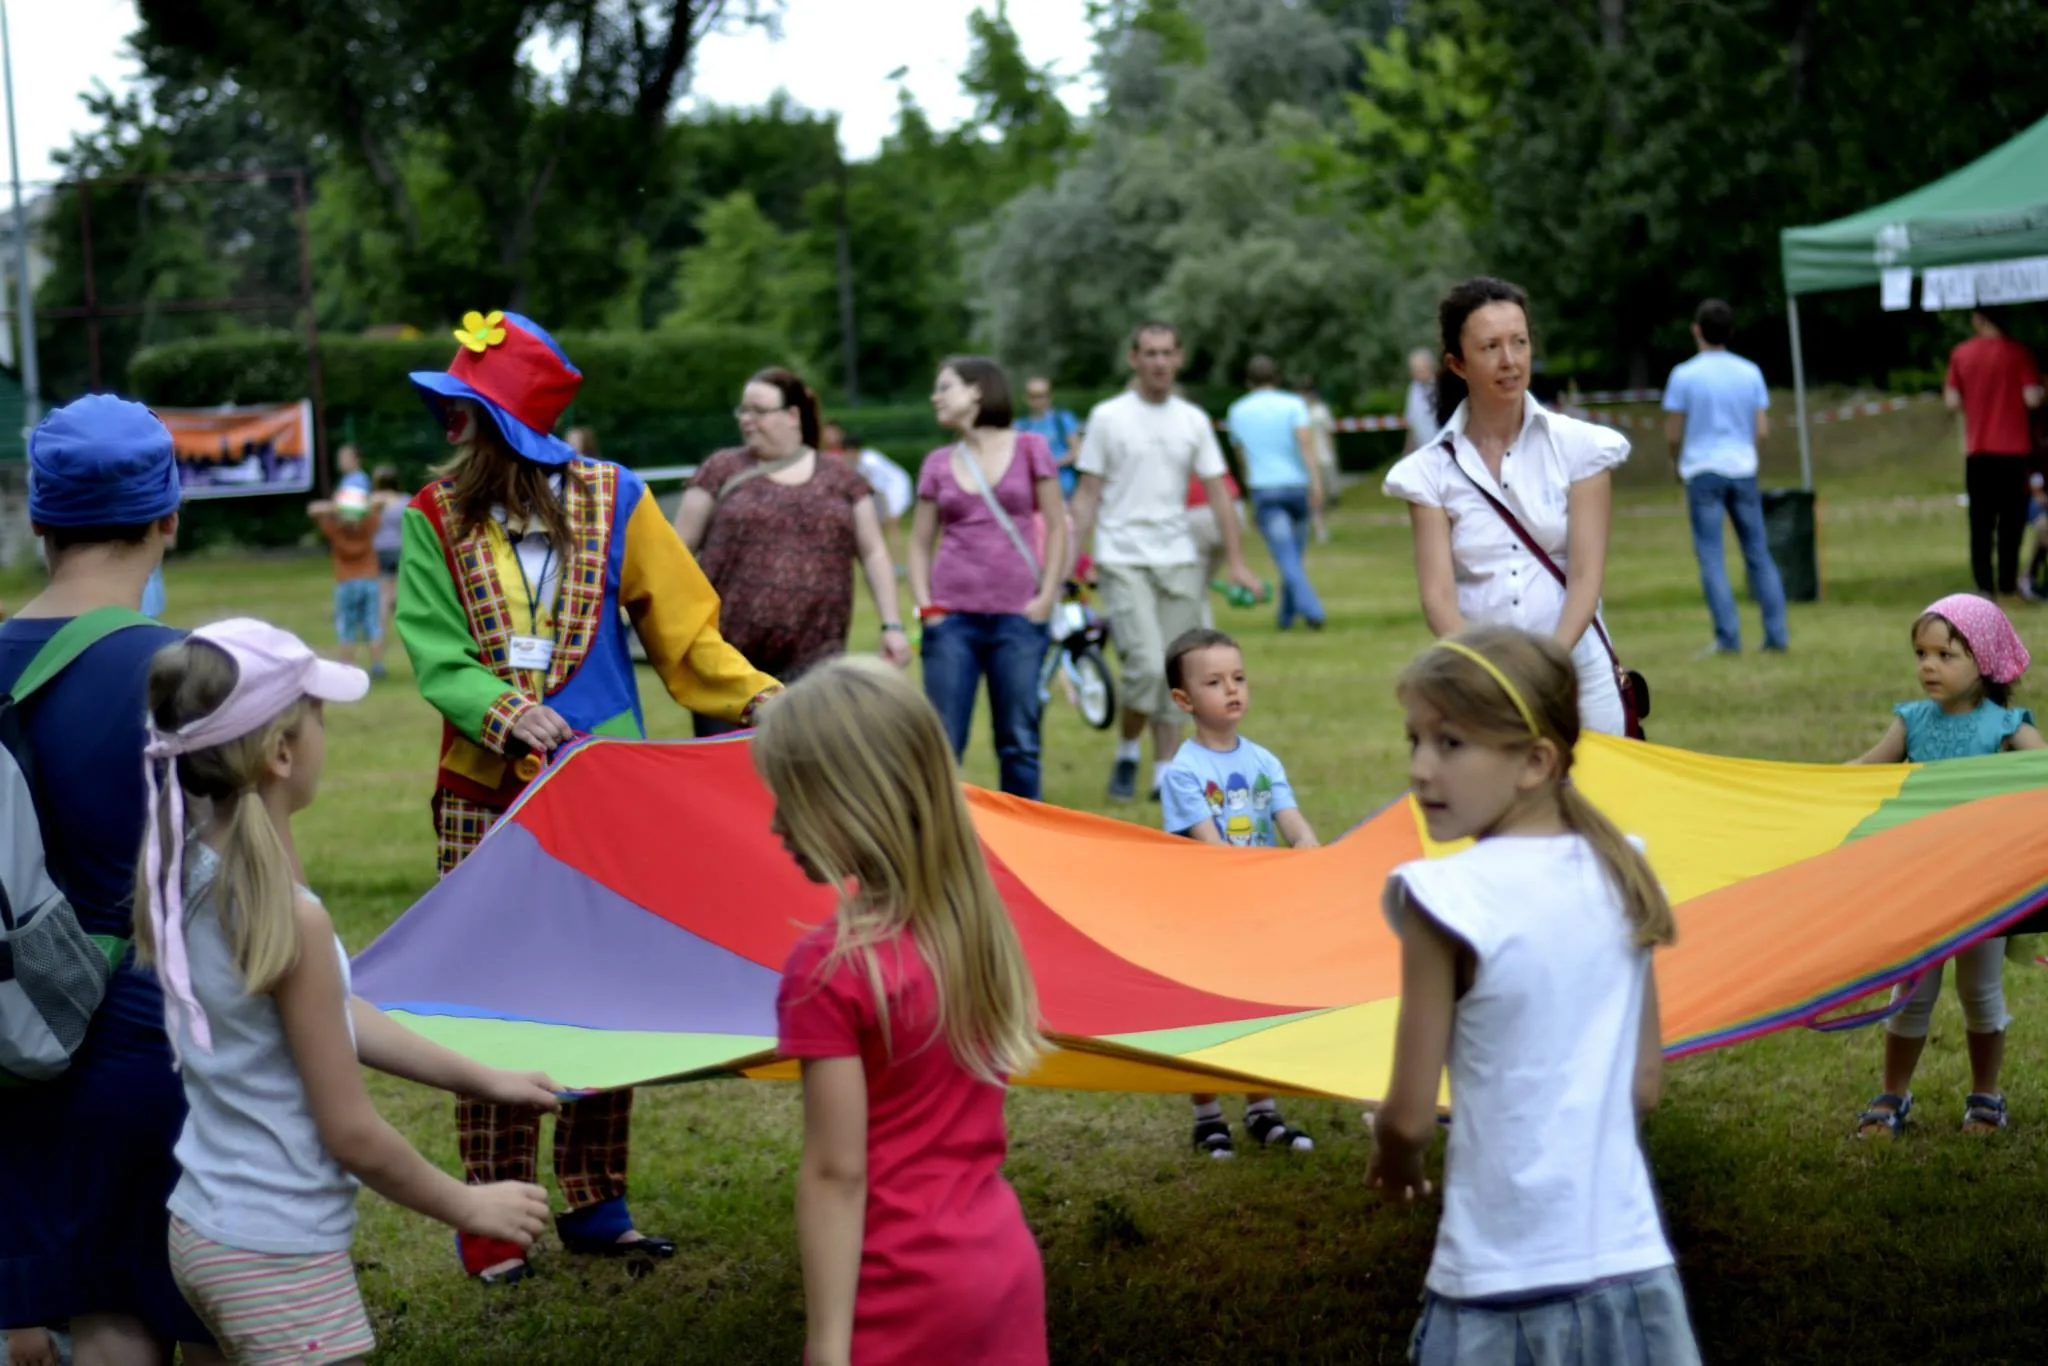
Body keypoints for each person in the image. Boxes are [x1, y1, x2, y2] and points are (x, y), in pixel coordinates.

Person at [398, 309, 782, 1283]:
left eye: (466, 414)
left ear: (505, 428)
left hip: (606, 801)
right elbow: (438, 656)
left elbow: (686, 634)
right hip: (482, 798)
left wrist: (759, 696)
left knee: (606, 993)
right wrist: (501, 711)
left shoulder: (618, 501)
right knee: (485, 997)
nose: (452, 434)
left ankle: (594, 1197)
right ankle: (490, 1210)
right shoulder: (429, 518)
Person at [135, 620, 556, 1362]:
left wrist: (482, 1077)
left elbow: (329, 1013)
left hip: (203, 1227)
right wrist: (471, 1205)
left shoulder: (200, 868)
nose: (328, 735)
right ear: (282, 752)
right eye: (318, 716)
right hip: (278, 1256)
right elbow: (352, 1133)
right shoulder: (288, 917)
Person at [1371, 626, 1699, 1366]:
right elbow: (1643, 1089)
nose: (1421, 769)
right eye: (1414, 741)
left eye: (1450, 744)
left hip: (1495, 1285)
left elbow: (1411, 1114)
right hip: (1633, 1267)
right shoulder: (1627, 872)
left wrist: (1394, 1159)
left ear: (1535, 761)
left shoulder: (1443, 897)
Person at [0, 394, 218, 1366]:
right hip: (151, 1020)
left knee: (94, 1310)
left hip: (16, 1030)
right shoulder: (181, 673)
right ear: (169, 516)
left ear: (39, 521)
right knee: (195, 1299)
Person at [759, 658, 1048, 1366]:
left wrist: (827, 1344)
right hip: (1001, 1267)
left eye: (790, 797)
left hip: (904, 1292)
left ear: (851, 800)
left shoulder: (828, 969)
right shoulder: (972, 925)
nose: (773, 822)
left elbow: (836, 1172)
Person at [1383, 277, 1632, 736]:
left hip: (1578, 668)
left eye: (1519, 342)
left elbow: (1585, 576)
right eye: (1490, 347)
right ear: (1457, 364)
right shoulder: (1428, 472)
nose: (1509, 360)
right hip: (1484, 681)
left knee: (1596, 803)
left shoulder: (1583, 447)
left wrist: (1548, 665)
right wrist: (1492, 674)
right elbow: (1438, 598)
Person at [1848, 595, 2043, 1135]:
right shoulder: (1911, 723)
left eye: (1945, 655)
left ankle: (1986, 1095)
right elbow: (1860, 773)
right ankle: (1892, 1095)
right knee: (1910, 992)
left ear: (1984, 660)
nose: (1928, 666)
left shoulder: (2006, 727)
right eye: (1921, 654)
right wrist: (1798, 789)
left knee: (1980, 992)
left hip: (1986, 889)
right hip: (1921, 886)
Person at [1072, 323, 1264, 803]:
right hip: (1123, 557)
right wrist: (1072, 559)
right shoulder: (1108, 417)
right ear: (1134, 358)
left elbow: (1219, 491)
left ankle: (1163, 772)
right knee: (1143, 666)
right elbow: (1088, 493)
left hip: (1179, 558)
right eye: (1149, 353)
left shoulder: (1191, 420)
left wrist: (1237, 561)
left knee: (1178, 671)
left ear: (1178, 359)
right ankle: (1127, 749)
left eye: (1167, 354)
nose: (1159, 362)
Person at [676, 368, 910, 737]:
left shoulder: (841, 478)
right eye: (743, 411)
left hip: (816, 666)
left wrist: (892, 625)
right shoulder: (721, 469)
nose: (747, 420)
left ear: (793, 414)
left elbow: (874, 553)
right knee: (726, 783)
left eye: (758, 410)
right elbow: (677, 553)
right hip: (725, 665)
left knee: (806, 779)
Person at [1158, 628, 1318, 1156]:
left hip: (1259, 910)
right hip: (1206, 913)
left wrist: (1306, 846)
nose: (1233, 690)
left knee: (1258, 1005)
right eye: (1214, 682)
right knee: (1203, 1013)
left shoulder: (1263, 762)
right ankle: (1207, 1116)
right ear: (1184, 701)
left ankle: (1262, 1109)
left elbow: (1292, 821)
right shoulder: (1184, 772)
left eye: (1239, 678)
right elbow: (1211, 847)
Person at [908, 357, 1068, 799]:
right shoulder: (938, 462)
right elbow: (920, 543)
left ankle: (1026, 849)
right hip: (951, 621)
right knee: (940, 743)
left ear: (977, 391)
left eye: (945, 387)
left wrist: (1047, 598)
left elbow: (1057, 525)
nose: (935, 397)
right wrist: (927, 608)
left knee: (1019, 743)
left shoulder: (1032, 447)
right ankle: (934, 845)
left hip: (1018, 619)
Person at [1662, 298, 1789, 655]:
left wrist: (1676, 461)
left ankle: (1728, 637)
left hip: (1703, 470)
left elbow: (1674, 433)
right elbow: (1761, 429)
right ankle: (1776, 634)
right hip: (1743, 468)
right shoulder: (1750, 372)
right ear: (1730, 332)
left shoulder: (1683, 375)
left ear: (1696, 330)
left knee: (1712, 556)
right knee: (1758, 554)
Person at [1946, 307, 2046, 598]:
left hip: (1978, 451)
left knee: (1980, 524)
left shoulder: (1961, 354)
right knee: (2010, 525)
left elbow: (1952, 401)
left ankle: (1984, 585)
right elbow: (2031, 398)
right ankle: (2007, 583)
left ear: (1978, 319)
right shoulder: (2018, 353)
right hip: (2014, 451)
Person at [1227, 356, 1327, 631]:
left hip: (1265, 489)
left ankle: (1311, 610)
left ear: (1249, 381)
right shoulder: (1294, 405)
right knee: (1292, 556)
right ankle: (1287, 617)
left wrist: (1248, 490)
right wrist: (1316, 482)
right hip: (1297, 487)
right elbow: (1306, 444)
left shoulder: (1238, 410)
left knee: (1287, 556)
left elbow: (1242, 456)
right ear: (1278, 378)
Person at [308, 486, 386, 677]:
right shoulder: (368, 525)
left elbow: (313, 509)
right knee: (372, 624)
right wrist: (359, 506)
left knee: (347, 625)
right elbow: (381, 502)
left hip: (346, 581)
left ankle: (346, 666)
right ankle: (377, 666)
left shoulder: (336, 529)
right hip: (369, 579)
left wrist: (338, 508)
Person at [821, 421, 914, 567]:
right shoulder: (853, 463)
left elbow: (877, 488)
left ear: (856, 450)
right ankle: (886, 561)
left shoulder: (870, 461)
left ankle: (897, 563)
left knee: (892, 524)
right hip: (880, 491)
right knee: (879, 528)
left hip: (894, 487)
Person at [1017, 377, 1085, 500]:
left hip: (1064, 487)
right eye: (1033, 396)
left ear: (1049, 396)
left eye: (1042, 395)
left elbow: (1076, 451)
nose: (1038, 400)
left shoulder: (1063, 419)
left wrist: (1049, 465)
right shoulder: (1021, 425)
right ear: (1026, 398)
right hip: (1033, 491)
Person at [1294, 374, 1340, 540]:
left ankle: (1317, 524)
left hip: (1323, 456)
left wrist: (1331, 454)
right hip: (1305, 459)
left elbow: (1328, 434)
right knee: (1311, 495)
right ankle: (1318, 527)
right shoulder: (1296, 412)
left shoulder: (1321, 411)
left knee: (1323, 494)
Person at [370, 465, 409, 654]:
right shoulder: (405, 501)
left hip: (380, 552)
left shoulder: (372, 502)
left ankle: (378, 645)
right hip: (400, 551)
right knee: (401, 598)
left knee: (383, 600)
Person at [1401, 347, 1439, 454]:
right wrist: (1407, 454)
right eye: (1413, 370)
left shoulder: (1443, 388)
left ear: (1430, 367)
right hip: (1424, 453)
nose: (1415, 374)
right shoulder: (1413, 389)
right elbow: (1412, 426)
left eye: (1420, 370)